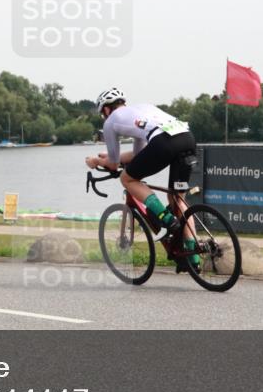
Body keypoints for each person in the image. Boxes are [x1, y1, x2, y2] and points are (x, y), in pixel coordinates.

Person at [84, 88, 199, 270]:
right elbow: (138, 154)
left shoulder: (110, 122)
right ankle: (193, 258)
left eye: (103, 114)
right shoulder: (142, 109)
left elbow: (113, 165)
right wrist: (112, 157)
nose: (104, 117)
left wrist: (96, 161)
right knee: (178, 198)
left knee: (127, 179)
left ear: (106, 110)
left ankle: (166, 218)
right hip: (187, 138)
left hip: (163, 143)